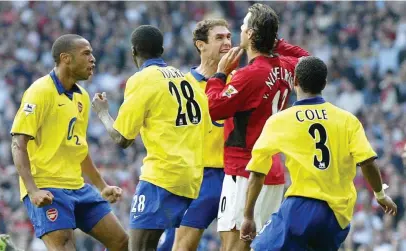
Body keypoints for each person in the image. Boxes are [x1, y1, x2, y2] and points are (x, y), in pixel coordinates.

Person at [241, 56, 398, 250]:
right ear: (324, 83)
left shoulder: (280, 121)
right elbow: (368, 162)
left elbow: (257, 173)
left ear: (295, 81)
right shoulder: (347, 120)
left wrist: (248, 215)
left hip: (301, 207)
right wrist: (380, 195)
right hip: (337, 217)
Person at [91, 25, 211, 251]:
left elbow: (122, 138)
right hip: (191, 180)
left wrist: (103, 113)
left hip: (161, 178)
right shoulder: (188, 80)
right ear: (162, 50)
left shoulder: (142, 79)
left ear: (134, 51)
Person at [10, 34, 129, 251]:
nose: (93, 59)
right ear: (66, 58)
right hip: (47, 186)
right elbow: (19, 143)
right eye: (86, 53)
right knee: (65, 245)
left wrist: (102, 186)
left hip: (77, 186)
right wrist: (33, 190)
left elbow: (79, 148)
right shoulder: (40, 91)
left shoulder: (82, 96)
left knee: (122, 242)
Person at [205, 4, 309, 251]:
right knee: (258, 245)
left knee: (233, 246)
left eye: (243, 26)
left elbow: (215, 108)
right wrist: (277, 42)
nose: (238, 29)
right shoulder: (285, 66)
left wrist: (219, 76)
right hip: (271, 171)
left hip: (244, 170)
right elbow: (308, 60)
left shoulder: (249, 74)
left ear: (250, 34)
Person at [158, 19, 231, 251]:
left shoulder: (241, 80)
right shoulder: (181, 85)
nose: (227, 42)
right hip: (199, 176)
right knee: (180, 246)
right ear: (200, 45)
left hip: (236, 174)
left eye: (229, 37)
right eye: (219, 38)